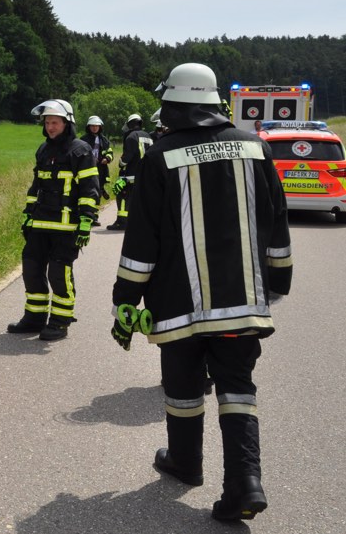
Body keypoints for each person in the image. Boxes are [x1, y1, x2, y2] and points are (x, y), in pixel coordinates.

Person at [110, 63, 293, 521]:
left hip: (178, 304)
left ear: (174, 103)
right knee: (237, 388)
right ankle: (245, 484)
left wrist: (125, 297)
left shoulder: (161, 156)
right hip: (242, 301)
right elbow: (275, 219)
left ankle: (186, 462)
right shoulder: (255, 148)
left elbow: (142, 240)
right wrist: (279, 278)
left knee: (183, 386)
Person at [6, 99, 100, 341]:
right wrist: (27, 214)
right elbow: (36, 186)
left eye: (55, 122)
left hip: (67, 226)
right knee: (31, 268)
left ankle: (60, 321)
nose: (50, 127)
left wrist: (86, 221)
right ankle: (34, 318)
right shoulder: (43, 150)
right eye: (47, 122)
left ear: (66, 123)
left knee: (59, 273)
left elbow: (90, 189)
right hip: (40, 224)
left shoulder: (80, 150)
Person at [107, 113, 152, 231]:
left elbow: (127, 157)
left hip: (131, 175)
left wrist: (120, 163)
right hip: (145, 175)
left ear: (131, 124)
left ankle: (122, 223)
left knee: (122, 197)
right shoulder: (148, 136)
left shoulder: (131, 136)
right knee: (139, 200)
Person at [80, 116, 113, 227]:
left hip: (100, 170)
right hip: (86, 169)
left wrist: (107, 158)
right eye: (92, 126)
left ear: (100, 127)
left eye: (96, 126)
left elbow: (110, 152)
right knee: (86, 193)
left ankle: (94, 217)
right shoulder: (83, 140)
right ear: (88, 127)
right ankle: (85, 216)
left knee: (97, 194)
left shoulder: (104, 140)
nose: (94, 128)